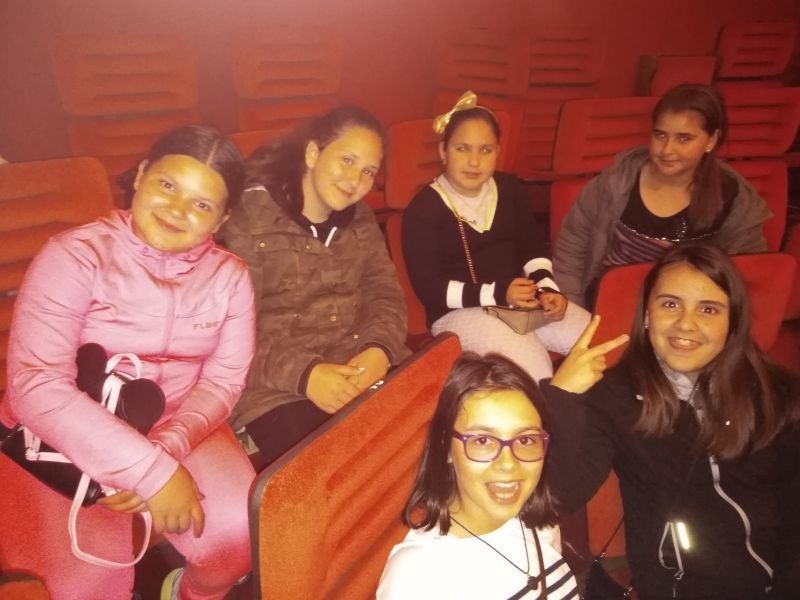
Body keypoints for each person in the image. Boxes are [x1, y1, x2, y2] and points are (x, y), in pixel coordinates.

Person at [0, 125, 256, 600]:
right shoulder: (75, 254)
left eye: (202, 204)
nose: (178, 210)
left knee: (239, 533)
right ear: (140, 176)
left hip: (176, 420)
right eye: (167, 185)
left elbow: (223, 381)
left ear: (221, 218)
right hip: (62, 429)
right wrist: (149, 472)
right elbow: (36, 385)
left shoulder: (231, 277)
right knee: (85, 586)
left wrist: (166, 449)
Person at [546, 242, 800, 599]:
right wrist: (562, 398)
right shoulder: (617, 398)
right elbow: (559, 499)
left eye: (708, 309)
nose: (686, 323)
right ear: (646, 315)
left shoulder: (776, 392)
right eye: (670, 304)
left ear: (732, 322)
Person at [218, 106, 409, 464]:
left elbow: (385, 294)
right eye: (347, 160)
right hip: (279, 388)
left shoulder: (362, 217)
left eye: (368, 171)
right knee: (335, 472)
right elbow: (231, 333)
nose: (355, 180)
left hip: (358, 361)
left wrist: (379, 349)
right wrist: (307, 376)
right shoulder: (247, 217)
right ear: (312, 154)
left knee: (429, 440)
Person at [402, 91, 590, 383]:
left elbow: (532, 248)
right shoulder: (423, 209)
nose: (474, 161)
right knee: (533, 371)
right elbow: (430, 290)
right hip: (458, 311)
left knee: (594, 339)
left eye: (485, 150)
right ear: (443, 152)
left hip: (516, 299)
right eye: (462, 149)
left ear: (497, 152)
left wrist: (547, 288)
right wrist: (499, 293)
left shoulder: (510, 189)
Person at [377, 353, 578, 599]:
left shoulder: (535, 520)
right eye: (482, 441)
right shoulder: (419, 578)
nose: (508, 464)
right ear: (445, 447)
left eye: (525, 440)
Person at [553, 84, 771, 308]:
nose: (667, 150)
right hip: (608, 302)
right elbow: (572, 249)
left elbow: (749, 271)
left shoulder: (733, 199)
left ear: (711, 140)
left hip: (683, 311)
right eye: (660, 135)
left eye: (684, 138)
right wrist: (573, 309)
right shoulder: (615, 183)